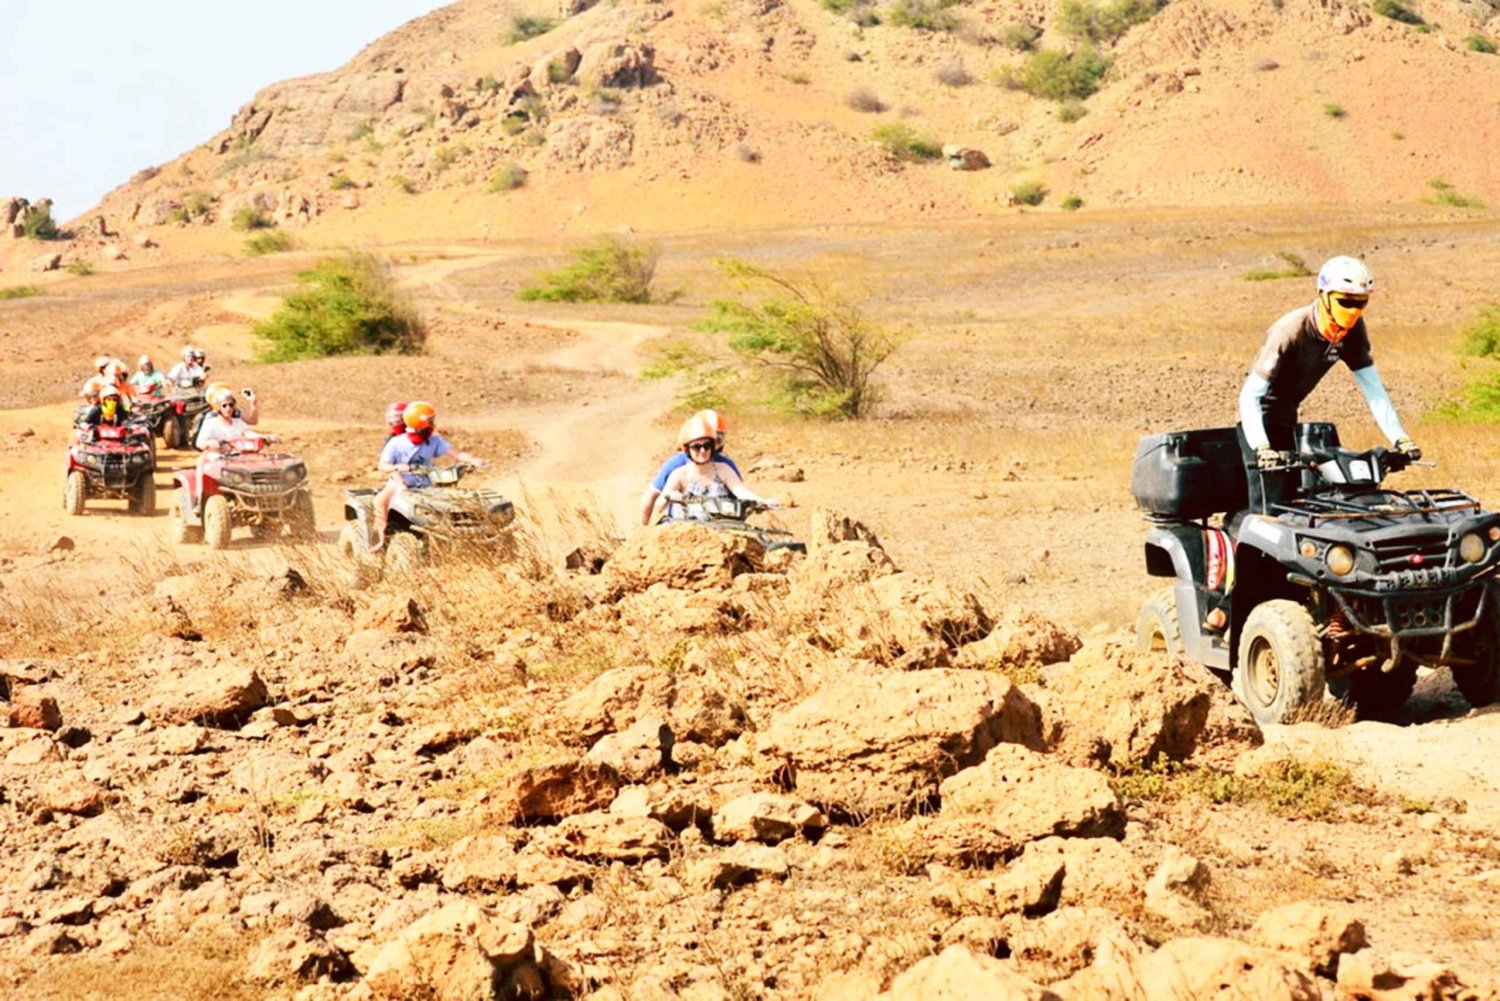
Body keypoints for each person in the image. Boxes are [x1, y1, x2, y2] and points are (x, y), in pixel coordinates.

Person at [1237, 255, 1420, 512]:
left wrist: (1401, 439)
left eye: (1361, 303)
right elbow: (1250, 396)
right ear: (1323, 295)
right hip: (1259, 421)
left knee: (1308, 504)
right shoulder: (1290, 330)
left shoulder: (1353, 330)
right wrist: (1261, 446)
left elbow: (1374, 390)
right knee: (1271, 508)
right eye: (1345, 302)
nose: (1354, 311)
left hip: (1287, 416)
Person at [368, 400, 481, 553]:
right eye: (430, 421)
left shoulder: (434, 441)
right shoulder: (395, 443)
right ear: (420, 423)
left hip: (427, 484)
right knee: (380, 501)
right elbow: (383, 465)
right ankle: (379, 540)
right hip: (400, 483)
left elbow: (455, 453)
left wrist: (472, 460)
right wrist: (397, 469)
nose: (434, 424)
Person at [649, 414, 775, 524]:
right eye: (696, 447)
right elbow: (659, 505)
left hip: (720, 531)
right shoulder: (679, 474)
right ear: (687, 450)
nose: (702, 451)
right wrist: (668, 496)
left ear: (713, 447)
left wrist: (763, 502)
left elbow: (741, 492)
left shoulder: (724, 469)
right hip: (684, 531)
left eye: (707, 445)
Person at [638, 409, 742, 525]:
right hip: (682, 523)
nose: (703, 451)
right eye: (697, 446)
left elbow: (739, 497)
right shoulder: (676, 464)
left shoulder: (726, 466)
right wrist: (644, 530)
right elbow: (651, 497)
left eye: (717, 440)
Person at [195, 387, 263, 451]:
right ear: (218, 407)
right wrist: (218, 444)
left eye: (231, 405)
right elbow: (200, 443)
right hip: (217, 457)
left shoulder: (238, 422)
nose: (228, 408)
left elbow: (248, 432)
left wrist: (263, 438)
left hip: (236, 456)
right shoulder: (210, 422)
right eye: (224, 406)